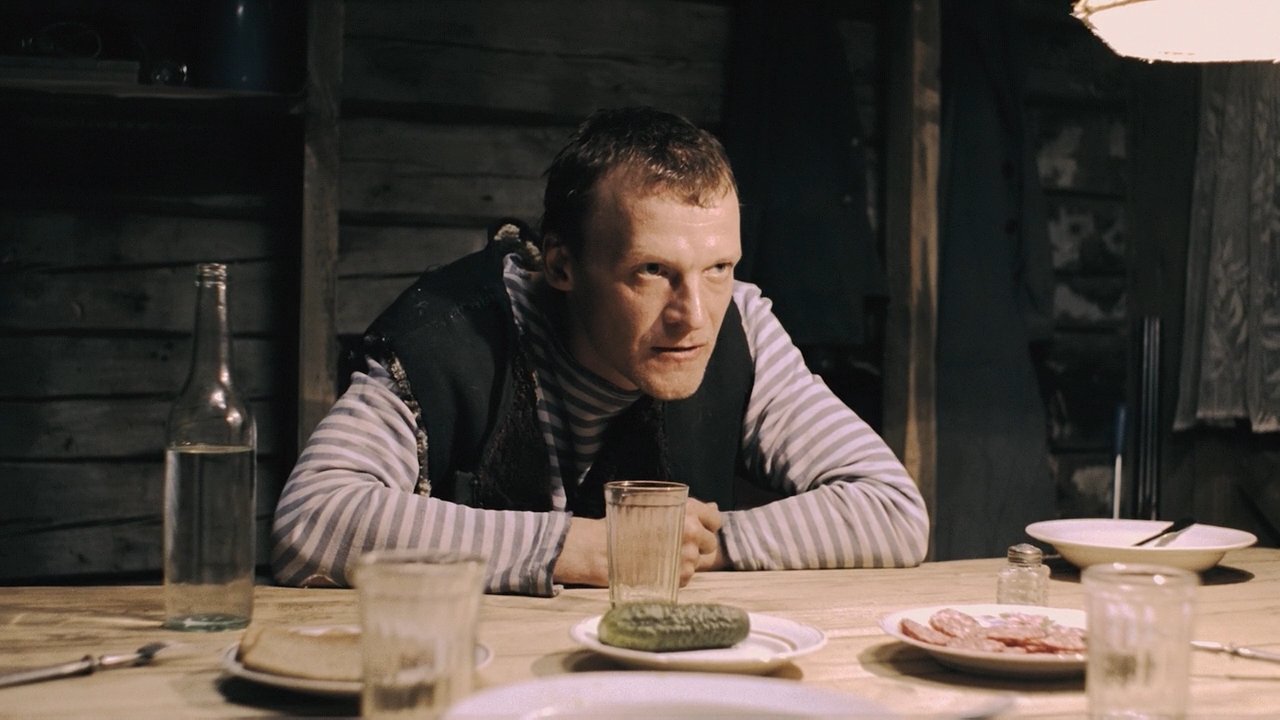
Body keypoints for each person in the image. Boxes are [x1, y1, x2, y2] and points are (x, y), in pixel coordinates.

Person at [271, 106, 929, 596]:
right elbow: (311, 518)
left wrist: (693, 545)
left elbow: (893, 509)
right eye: (652, 271)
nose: (694, 316)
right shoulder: (451, 333)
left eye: (718, 268)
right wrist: (573, 547)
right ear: (562, 265)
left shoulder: (741, 326)